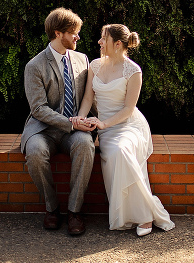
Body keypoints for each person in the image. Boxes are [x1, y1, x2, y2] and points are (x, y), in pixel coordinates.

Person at [71, 24, 175, 237]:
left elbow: (128, 109)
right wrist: (81, 118)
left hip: (128, 126)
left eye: (104, 38)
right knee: (116, 151)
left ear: (117, 44)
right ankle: (135, 213)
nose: (99, 42)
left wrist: (104, 123)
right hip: (106, 130)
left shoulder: (133, 71)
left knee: (122, 150)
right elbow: (88, 98)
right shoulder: (95, 65)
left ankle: (145, 215)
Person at [21, 7, 97, 236]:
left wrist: (99, 125)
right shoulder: (34, 66)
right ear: (57, 33)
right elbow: (38, 109)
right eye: (73, 32)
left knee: (85, 145)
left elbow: (88, 96)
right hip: (43, 129)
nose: (77, 37)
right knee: (34, 152)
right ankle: (52, 208)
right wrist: (71, 123)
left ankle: (75, 211)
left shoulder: (82, 58)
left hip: (75, 131)